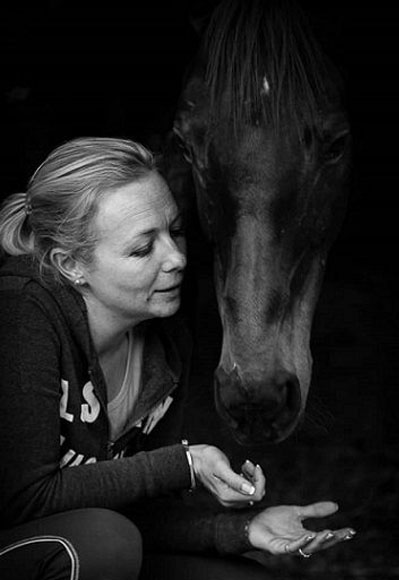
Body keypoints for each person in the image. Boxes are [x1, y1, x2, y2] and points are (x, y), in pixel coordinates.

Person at [0, 137, 356, 580]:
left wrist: (242, 530)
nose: (176, 259)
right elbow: (24, 498)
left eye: (176, 230)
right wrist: (185, 464)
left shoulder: (165, 339)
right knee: (104, 543)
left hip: (92, 537)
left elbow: (136, 510)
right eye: (142, 248)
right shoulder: (21, 314)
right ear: (71, 264)